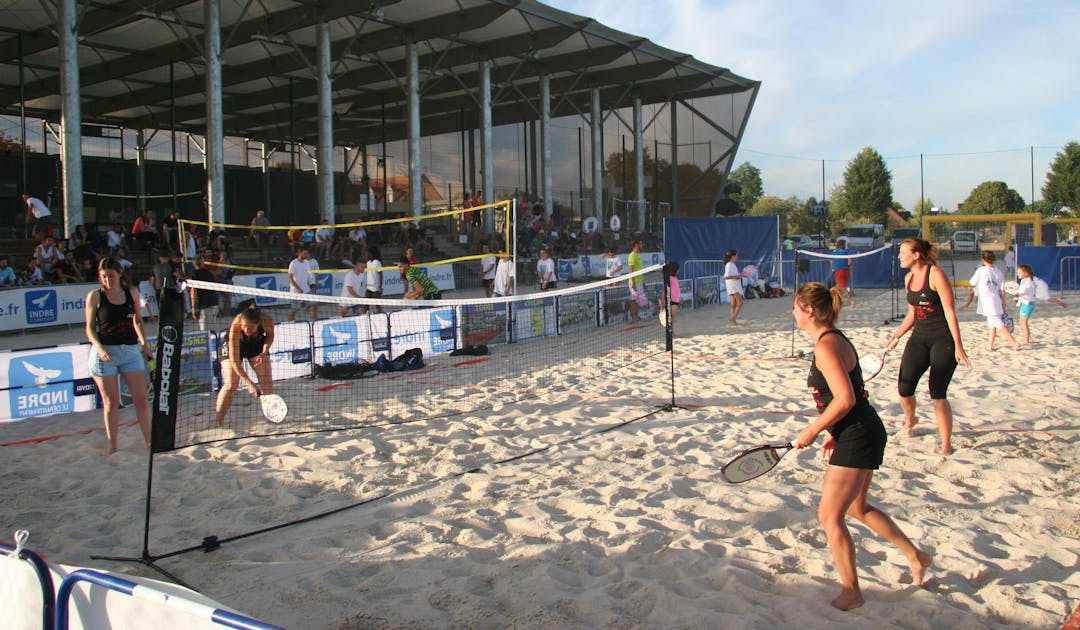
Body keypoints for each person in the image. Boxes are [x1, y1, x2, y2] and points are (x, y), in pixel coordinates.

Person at [791, 282, 931, 611]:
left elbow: (845, 398)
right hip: (857, 429)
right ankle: (918, 556)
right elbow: (852, 394)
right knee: (857, 508)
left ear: (809, 311)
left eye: (796, 307)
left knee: (829, 516)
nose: (793, 313)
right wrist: (834, 432)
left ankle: (852, 592)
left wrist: (814, 429)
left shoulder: (827, 346)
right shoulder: (832, 340)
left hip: (859, 432)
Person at [886, 238, 970, 455]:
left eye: (903, 252)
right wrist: (896, 335)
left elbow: (950, 312)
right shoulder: (908, 278)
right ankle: (910, 421)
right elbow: (913, 313)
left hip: (943, 339)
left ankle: (946, 444)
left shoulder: (935, 275)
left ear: (916, 255)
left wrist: (959, 346)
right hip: (919, 338)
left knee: (937, 394)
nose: (899, 256)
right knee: (904, 389)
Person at [84, 257, 153, 455]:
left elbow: (138, 322)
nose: (108, 280)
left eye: (111, 276)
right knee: (111, 402)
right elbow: (89, 329)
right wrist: (100, 348)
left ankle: (149, 443)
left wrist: (145, 345)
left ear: (120, 274)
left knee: (141, 399)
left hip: (130, 350)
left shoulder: (131, 292)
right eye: (104, 276)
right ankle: (112, 445)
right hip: (105, 351)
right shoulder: (95, 296)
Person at [215, 303, 275, 424]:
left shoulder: (266, 321)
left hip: (255, 344)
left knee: (267, 383)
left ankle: (272, 416)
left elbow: (270, 336)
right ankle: (218, 421)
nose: (247, 330)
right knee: (231, 384)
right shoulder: (236, 326)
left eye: (251, 328)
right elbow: (235, 362)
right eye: (245, 327)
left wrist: (264, 352)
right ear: (241, 323)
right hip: (235, 345)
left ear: (258, 324)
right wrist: (249, 383)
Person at [962, 250, 1020, 352]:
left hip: (988, 301)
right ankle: (990, 346)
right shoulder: (998, 271)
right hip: (996, 299)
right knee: (992, 323)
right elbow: (1002, 289)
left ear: (983, 260)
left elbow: (972, 282)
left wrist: (972, 289)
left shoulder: (981, 270)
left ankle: (1014, 342)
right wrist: (1003, 302)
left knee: (998, 323)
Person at [1013, 264, 1066, 345]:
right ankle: (1029, 338)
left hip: (1027, 304)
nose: (1017, 274)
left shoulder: (1029, 283)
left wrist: (1017, 298)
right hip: (1026, 304)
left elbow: (1027, 295)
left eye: (1019, 272)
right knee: (1022, 322)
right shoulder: (1025, 281)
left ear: (1026, 273)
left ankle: (1027, 340)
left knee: (1024, 323)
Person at [188, 255, 220, 332]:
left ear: (194, 264)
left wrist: (193, 307)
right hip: (214, 302)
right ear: (202, 263)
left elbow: (193, 291)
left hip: (205, 305)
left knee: (205, 332)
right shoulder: (209, 273)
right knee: (212, 329)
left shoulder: (195, 274)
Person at [287, 247, 319, 321]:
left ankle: (314, 322)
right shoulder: (293, 263)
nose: (306, 255)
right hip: (295, 292)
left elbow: (308, 275)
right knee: (294, 310)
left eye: (307, 253)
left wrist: (312, 284)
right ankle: (289, 323)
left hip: (306, 290)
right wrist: (298, 288)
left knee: (314, 305)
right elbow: (290, 278)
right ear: (299, 253)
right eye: (304, 253)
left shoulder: (307, 263)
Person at [831, 238, 855, 306]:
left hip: (839, 271)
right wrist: (845, 265)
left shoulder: (833, 252)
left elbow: (831, 263)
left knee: (843, 287)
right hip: (846, 271)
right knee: (837, 286)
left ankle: (851, 301)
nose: (845, 245)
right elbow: (850, 262)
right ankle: (835, 300)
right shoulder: (846, 252)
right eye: (845, 244)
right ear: (843, 245)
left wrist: (835, 267)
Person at [627, 238, 646, 322]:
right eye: (641, 244)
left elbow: (640, 269)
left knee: (638, 299)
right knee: (634, 299)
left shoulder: (638, 255)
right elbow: (631, 270)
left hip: (639, 281)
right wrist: (633, 283)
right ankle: (634, 317)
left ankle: (637, 316)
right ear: (636, 245)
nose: (642, 245)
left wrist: (643, 281)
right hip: (634, 282)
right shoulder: (632, 255)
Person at [723, 249, 744, 324]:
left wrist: (739, 276)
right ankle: (733, 318)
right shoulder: (729, 265)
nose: (737, 257)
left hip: (732, 284)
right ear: (733, 256)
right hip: (733, 285)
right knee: (740, 303)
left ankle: (733, 320)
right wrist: (737, 276)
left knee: (733, 304)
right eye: (736, 255)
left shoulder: (731, 264)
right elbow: (726, 276)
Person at [660, 261, 681, 327]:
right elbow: (664, 290)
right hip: (672, 301)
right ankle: (671, 334)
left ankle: (672, 334)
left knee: (672, 319)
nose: (679, 270)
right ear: (675, 270)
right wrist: (662, 302)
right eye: (678, 269)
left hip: (676, 301)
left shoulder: (674, 277)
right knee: (670, 319)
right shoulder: (669, 278)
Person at [365, 246, 384, 313]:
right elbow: (367, 274)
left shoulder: (377, 262)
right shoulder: (368, 263)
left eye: (367, 253)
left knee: (377, 305)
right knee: (366, 305)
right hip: (369, 287)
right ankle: (366, 316)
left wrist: (380, 287)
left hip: (375, 288)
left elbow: (381, 275)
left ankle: (381, 315)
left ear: (371, 253)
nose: (366, 254)